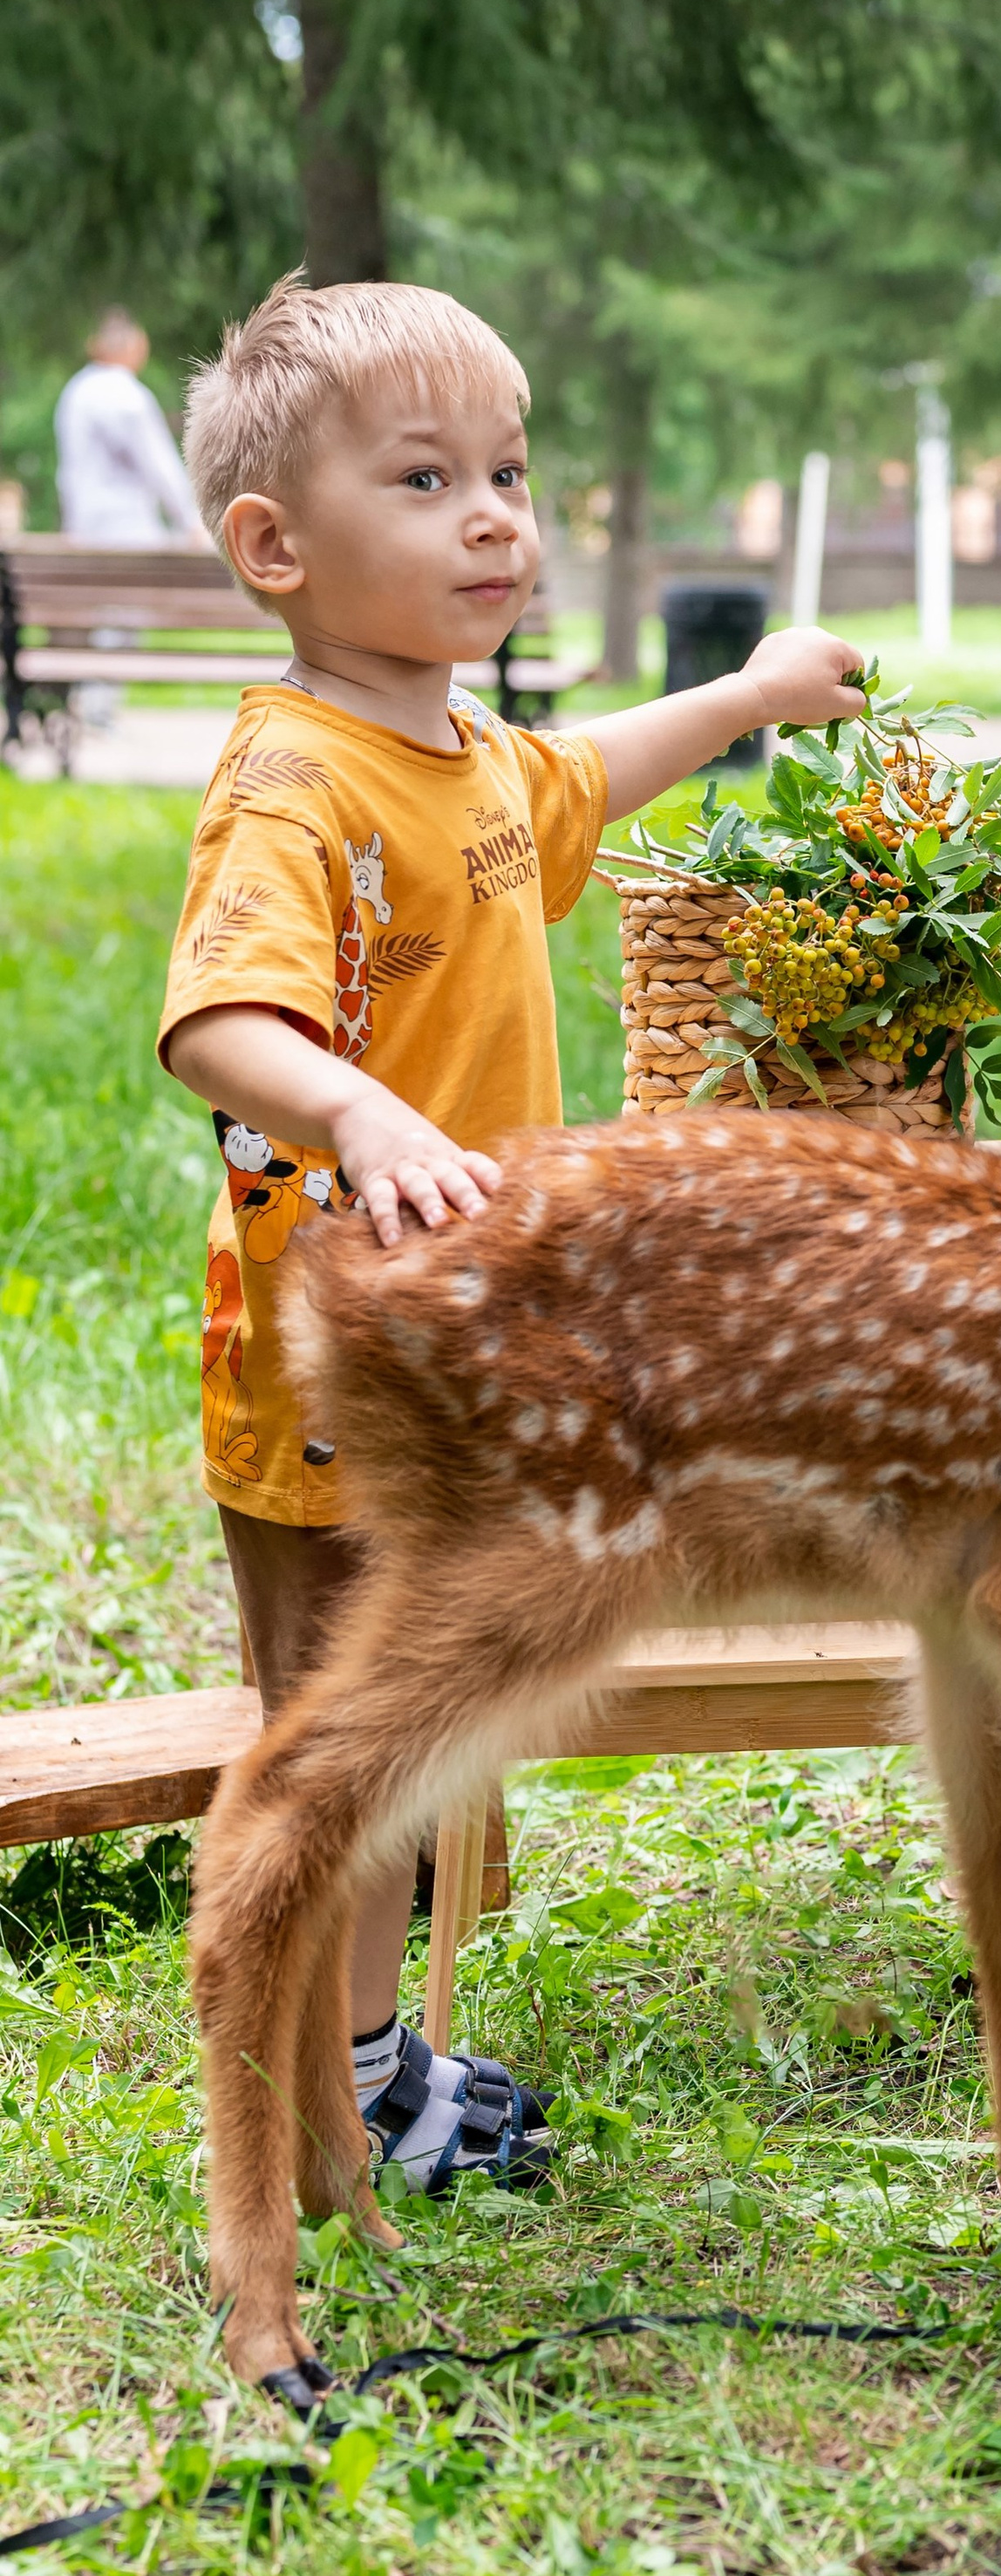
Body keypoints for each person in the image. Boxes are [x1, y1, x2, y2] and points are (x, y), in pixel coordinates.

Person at [159, 271, 867, 2191]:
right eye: (426, 477)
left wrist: (744, 699)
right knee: (344, 1741)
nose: (495, 513)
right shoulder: (294, 781)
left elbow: (577, 786)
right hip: (337, 1364)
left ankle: (373, 2059)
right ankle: (340, 2094)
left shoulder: (459, 750)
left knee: (409, 1727)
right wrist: (359, 1104)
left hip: (467, 1347)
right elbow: (219, 1020)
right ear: (275, 547)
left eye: (510, 470)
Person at [55, 310, 203, 544]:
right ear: (136, 347)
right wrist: (193, 521)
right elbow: (160, 466)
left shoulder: (75, 391)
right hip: (128, 533)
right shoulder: (128, 395)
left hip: (81, 530)